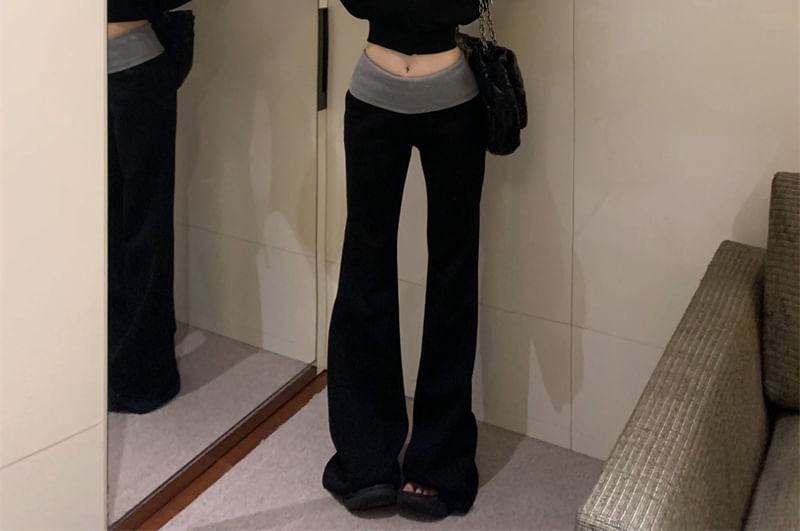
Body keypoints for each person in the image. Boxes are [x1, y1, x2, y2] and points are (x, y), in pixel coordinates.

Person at [323, 0, 486, 519]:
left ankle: (440, 462)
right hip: (373, 95)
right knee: (363, 274)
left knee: (452, 280)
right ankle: (365, 457)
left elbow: (464, 5)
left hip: (453, 101)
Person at [107, 0, 191, 414]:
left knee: (144, 225)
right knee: (97, 228)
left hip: (135, 68)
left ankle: (144, 372)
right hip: (65, 73)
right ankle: (108, 358)